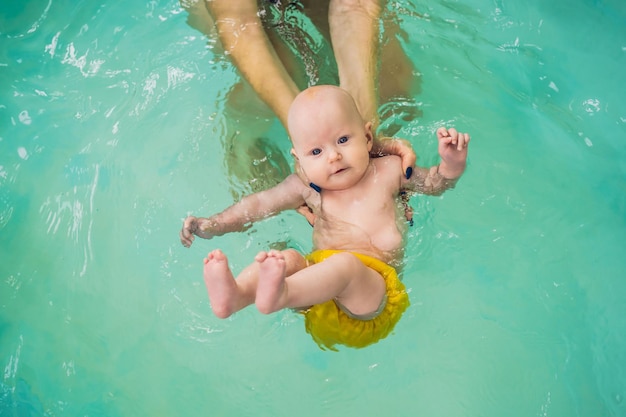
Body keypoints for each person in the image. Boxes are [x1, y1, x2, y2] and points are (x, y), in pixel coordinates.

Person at [180, 86, 470, 350]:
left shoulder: (390, 170)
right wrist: (212, 225)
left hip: (369, 304)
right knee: (289, 259)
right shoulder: (305, 187)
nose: (333, 156)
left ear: (368, 137)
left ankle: (281, 295)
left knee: (345, 265)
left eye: (343, 140)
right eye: (316, 151)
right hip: (315, 298)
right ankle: (236, 296)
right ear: (299, 159)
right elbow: (256, 206)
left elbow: (435, 184)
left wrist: (452, 164)